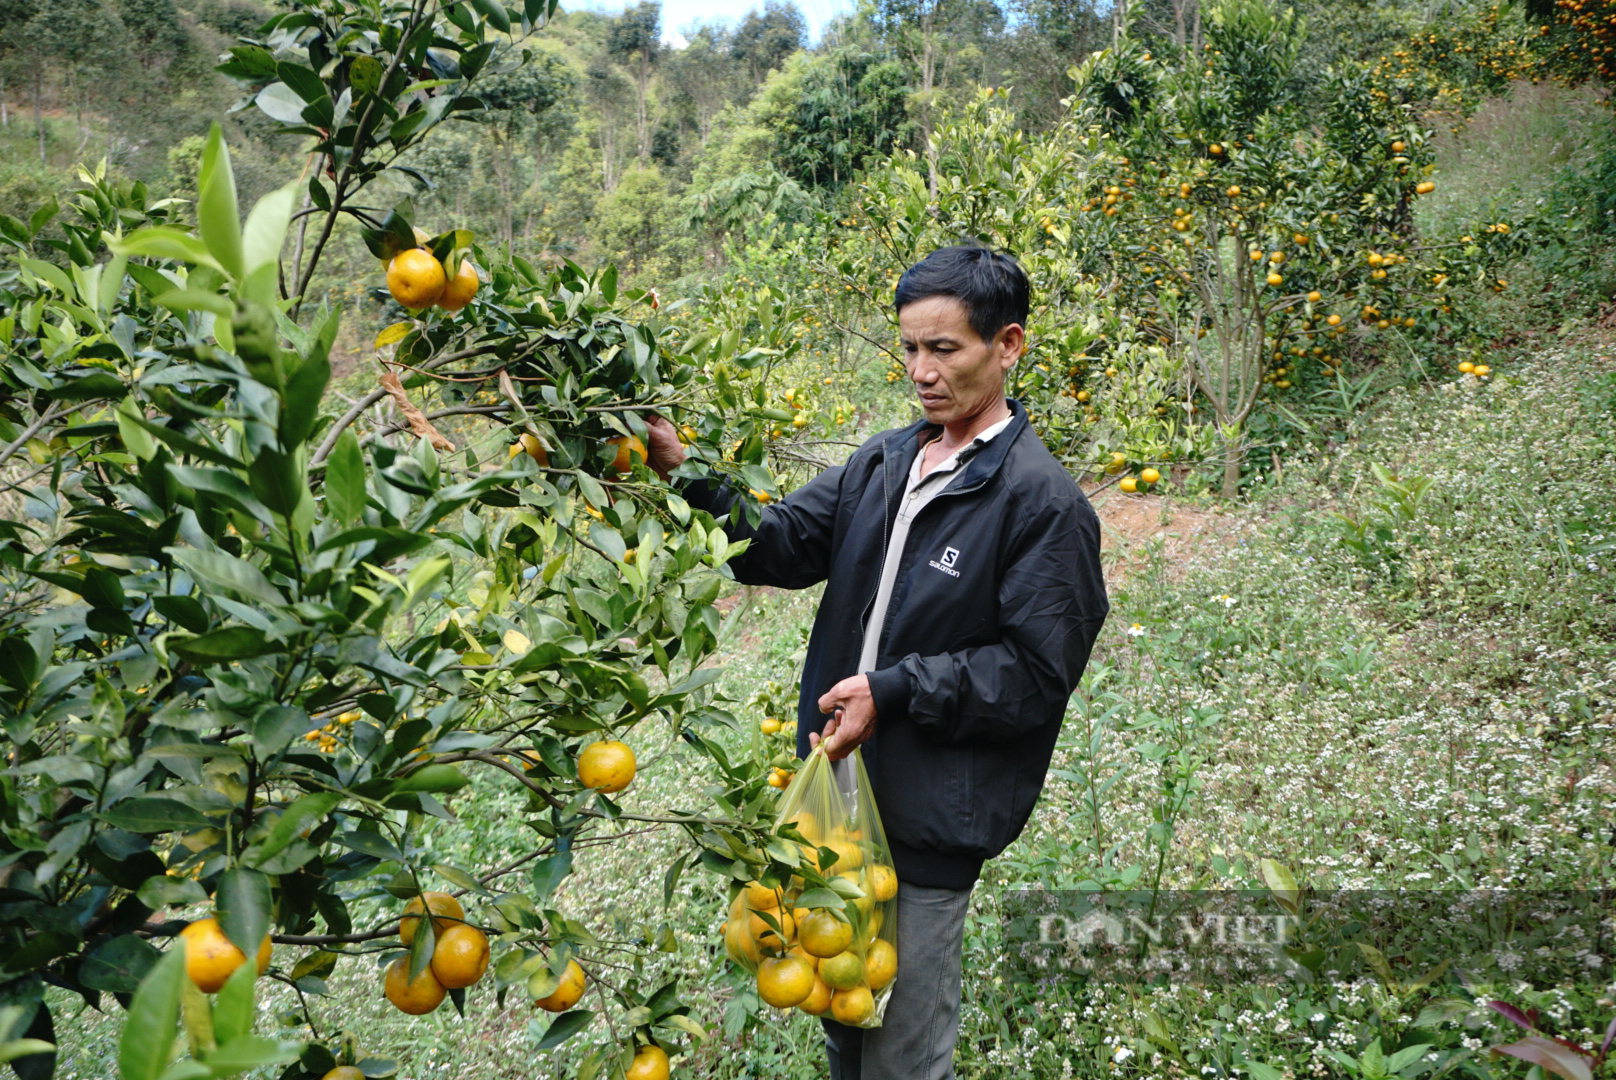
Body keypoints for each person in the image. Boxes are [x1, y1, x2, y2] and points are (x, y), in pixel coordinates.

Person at [643, 245, 1109, 1080]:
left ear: (1008, 346)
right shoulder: (886, 461)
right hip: (835, 815)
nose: (923, 372)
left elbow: (1033, 677)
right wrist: (684, 475)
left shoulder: (1042, 505)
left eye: (946, 350)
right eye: (908, 349)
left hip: (926, 822)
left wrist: (893, 691)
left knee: (901, 1053)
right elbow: (779, 543)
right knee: (844, 1026)